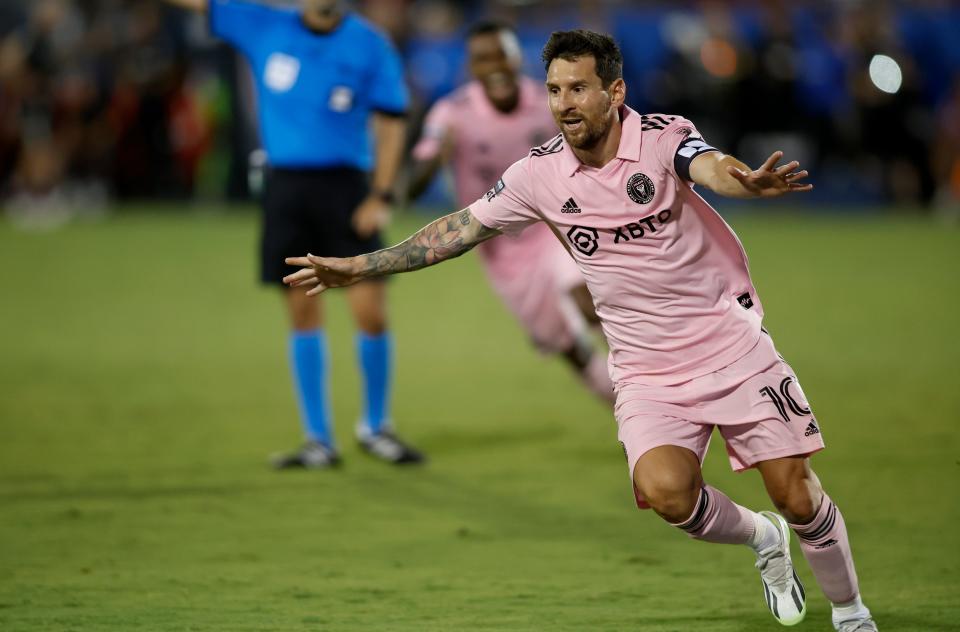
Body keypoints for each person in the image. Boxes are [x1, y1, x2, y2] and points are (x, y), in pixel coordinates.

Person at [284, 30, 878, 630]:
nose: (564, 103)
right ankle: (763, 541)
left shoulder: (661, 136)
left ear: (614, 91)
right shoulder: (539, 175)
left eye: (578, 89)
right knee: (669, 495)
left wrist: (743, 179)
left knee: (798, 496)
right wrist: (360, 266)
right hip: (646, 370)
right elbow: (456, 231)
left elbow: (708, 164)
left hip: (730, 345)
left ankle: (852, 615)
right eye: (554, 91)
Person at [165, 0, 424, 467]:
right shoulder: (262, 22)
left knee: (370, 312)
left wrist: (381, 194)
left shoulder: (369, 44)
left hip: (348, 189)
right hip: (286, 189)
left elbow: (390, 123)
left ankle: (376, 426)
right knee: (303, 315)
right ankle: (318, 440)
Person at [409, 21, 613, 404]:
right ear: (472, 67)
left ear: (517, 57)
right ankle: (623, 407)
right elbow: (414, 184)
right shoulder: (452, 113)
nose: (495, 65)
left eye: (501, 54)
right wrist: (436, 159)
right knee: (567, 346)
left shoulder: (548, 101)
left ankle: (649, 392)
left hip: (555, 224)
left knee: (587, 298)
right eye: (483, 58)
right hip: (502, 249)